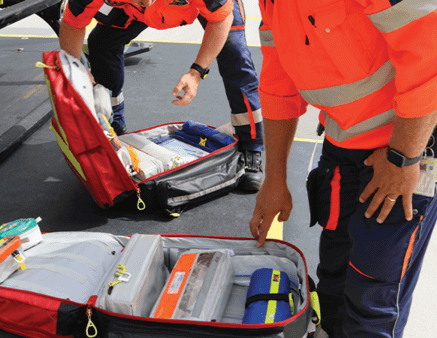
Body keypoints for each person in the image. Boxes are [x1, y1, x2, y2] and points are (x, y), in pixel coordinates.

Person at [249, 0, 437, 337]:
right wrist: (274, 179)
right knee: (334, 280)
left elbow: (431, 55)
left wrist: (403, 157)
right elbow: (278, 84)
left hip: (409, 146)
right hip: (344, 145)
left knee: (372, 299)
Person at [59, 0, 264, 191]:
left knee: (235, 55)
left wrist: (196, 72)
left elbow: (221, 19)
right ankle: (113, 126)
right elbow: (73, 23)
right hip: (138, 13)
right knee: (102, 42)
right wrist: (75, 69)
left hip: (201, 8)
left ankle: (251, 146)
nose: (146, 3)